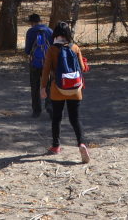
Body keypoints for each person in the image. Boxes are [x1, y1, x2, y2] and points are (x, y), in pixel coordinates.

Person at [40, 22, 91, 163]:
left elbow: (45, 71)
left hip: (57, 89)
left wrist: (43, 88)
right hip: (75, 88)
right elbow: (82, 67)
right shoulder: (75, 47)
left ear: (55, 33)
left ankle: (56, 146)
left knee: (57, 118)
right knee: (75, 118)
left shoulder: (52, 50)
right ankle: (81, 143)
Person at [23, 14, 53, 117]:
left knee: (35, 86)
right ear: (40, 21)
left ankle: (36, 110)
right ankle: (50, 106)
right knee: (48, 85)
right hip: (48, 63)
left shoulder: (31, 32)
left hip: (35, 63)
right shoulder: (49, 31)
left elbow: (27, 50)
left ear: (31, 22)